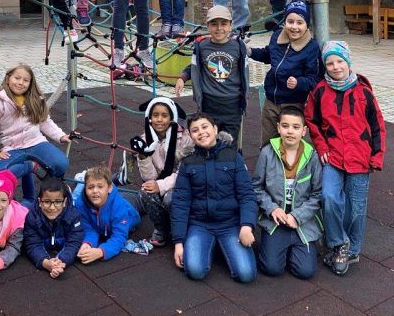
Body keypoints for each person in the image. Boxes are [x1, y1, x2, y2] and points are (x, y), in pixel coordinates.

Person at [305, 40, 386, 276]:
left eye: (340, 61)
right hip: (333, 156)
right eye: (330, 63)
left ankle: (352, 250)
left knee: (356, 206)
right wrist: (321, 146)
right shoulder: (320, 91)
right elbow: (312, 121)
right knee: (329, 197)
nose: (335, 67)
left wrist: (377, 156)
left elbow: (377, 125)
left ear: (348, 62)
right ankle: (338, 242)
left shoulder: (364, 92)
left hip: (360, 157)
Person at [170, 112, 257, 282]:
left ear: (215, 129)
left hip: (229, 223)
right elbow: (180, 202)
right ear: (191, 136)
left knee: (246, 274)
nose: (201, 132)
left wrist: (246, 226)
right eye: (195, 130)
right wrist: (178, 242)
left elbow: (247, 194)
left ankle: (223, 245)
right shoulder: (188, 163)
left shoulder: (233, 157)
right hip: (200, 224)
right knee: (194, 271)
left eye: (205, 127)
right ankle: (209, 245)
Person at [0, 64, 70, 206]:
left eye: (26, 80)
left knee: (61, 163)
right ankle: (13, 202)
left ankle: (52, 192)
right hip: (12, 148)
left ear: (30, 83)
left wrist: (61, 136)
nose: (21, 83)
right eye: (17, 78)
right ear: (8, 79)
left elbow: (44, 122)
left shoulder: (35, 99)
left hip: (36, 143)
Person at [252, 106, 323, 279]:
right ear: (278, 128)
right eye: (285, 126)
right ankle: (278, 245)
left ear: (304, 131)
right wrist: (272, 208)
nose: (290, 131)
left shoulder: (312, 156)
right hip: (276, 219)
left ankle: (298, 246)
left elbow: (317, 194)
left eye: (295, 127)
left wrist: (297, 216)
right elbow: (256, 187)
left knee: (305, 271)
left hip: (302, 221)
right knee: (271, 269)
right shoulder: (267, 153)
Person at [248, 0, 322, 147]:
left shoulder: (311, 47)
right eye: (290, 21)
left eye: (300, 23)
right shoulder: (277, 36)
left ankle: (291, 161)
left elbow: (315, 79)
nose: (294, 27)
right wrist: (250, 52)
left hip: (293, 103)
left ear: (307, 25)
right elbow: (268, 54)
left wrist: (299, 82)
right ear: (285, 22)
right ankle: (267, 160)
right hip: (271, 100)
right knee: (268, 141)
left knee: (290, 142)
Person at [175, 5, 249, 150]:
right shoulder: (202, 46)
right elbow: (195, 66)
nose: (219, 28)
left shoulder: (237, 47)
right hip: (209, 103)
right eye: (214, 24)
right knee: (207, 142)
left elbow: (243, 71)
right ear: (208, 26)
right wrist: (182, 78)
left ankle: (229, 163)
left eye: (224, 24)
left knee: (229, 145)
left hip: (232, 104)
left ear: (231, 25)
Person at [129, 96, 193, 247]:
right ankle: (162, 227)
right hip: (159, 181)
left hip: (180, 183)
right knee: (144, 192)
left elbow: (184, 173)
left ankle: (180, 226)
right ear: (149, 117)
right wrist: (143, 156)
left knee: (170, 198)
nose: (159, 119)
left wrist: (161, 185)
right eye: (155, 115)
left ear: (172, 118)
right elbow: (149, 177)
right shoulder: (145, 140)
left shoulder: (185, 140)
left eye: (164, 115)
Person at [74, 163, 140, 264]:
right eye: (90, 187)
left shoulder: (119, 206)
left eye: (100, 187)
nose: (95, 191)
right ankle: (115, 179)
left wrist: (101, 252)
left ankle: (120, 181)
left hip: (130, 205)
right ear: (85, 188)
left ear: (109, 188)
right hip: (108, 201)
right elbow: (89, 229)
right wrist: (87, 244)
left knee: (140, 199)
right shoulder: (80, 204)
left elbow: (119, 237)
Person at [24, 177, 84, 278]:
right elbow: (32, 244)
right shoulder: (32, 218)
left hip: (69, 205)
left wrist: (61, 261)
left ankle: (81, 182)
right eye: (47, 202)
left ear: (64, 202)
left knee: (76, 196)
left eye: (58, 201)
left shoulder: (74, 216)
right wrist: (45, 263)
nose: (52, 207)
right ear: (39, 202)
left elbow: (74, 243)